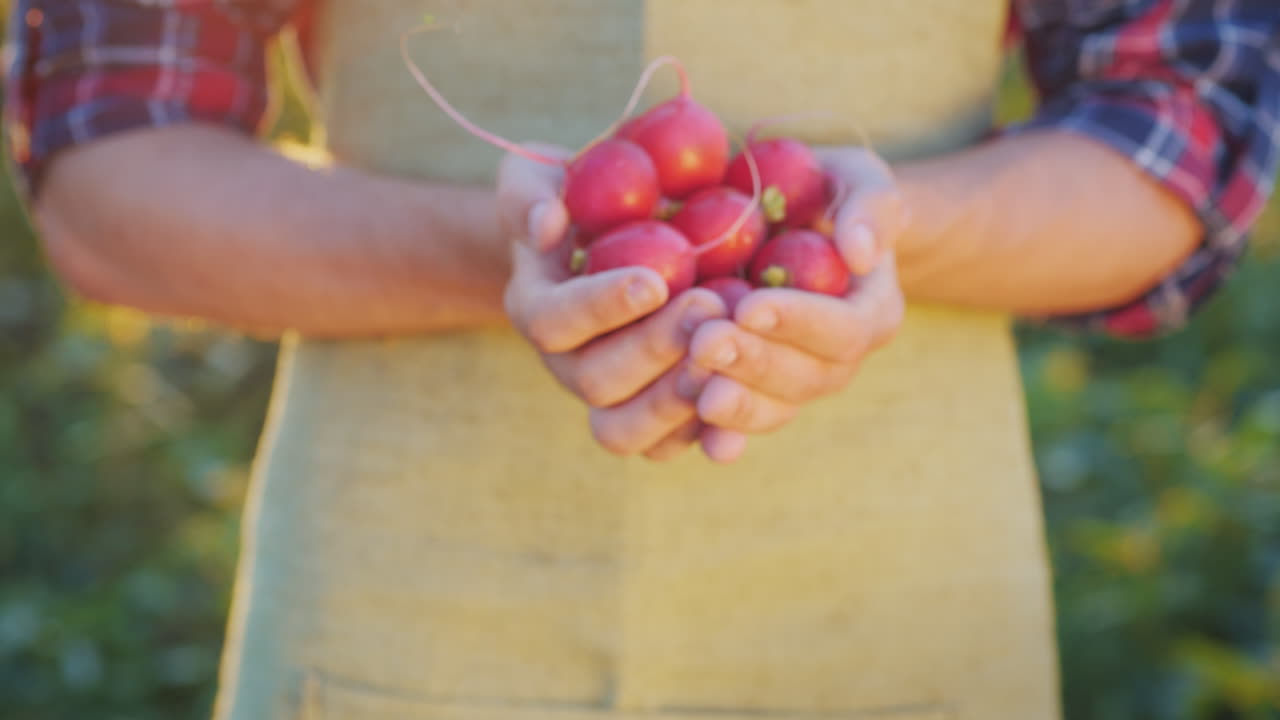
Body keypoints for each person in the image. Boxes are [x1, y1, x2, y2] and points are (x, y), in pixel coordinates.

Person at [7, 1, 1278, 718]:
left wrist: (889, 229)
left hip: (908, 625)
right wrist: (494, 254)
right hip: (398, 623)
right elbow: (111, 166)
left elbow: (1183, 122)